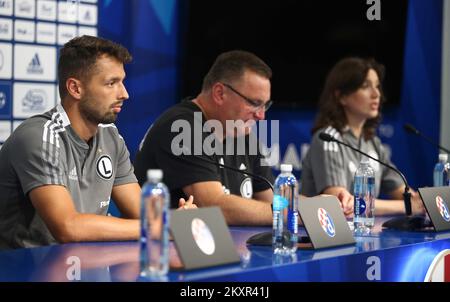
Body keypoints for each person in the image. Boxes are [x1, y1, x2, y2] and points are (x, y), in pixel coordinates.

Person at [0, 36, 194, 250]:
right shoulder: (39, 136)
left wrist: (175, 219)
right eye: (111, 83)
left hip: (85, 265)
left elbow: (144, 213)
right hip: (24, 270)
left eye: (122, 81)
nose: (124, 94)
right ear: (75, 88)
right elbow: (68, 227)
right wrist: (161, 225)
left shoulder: (110, 137)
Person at [134, 50, 352, 225]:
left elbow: (270, 200)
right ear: (220, 93)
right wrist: (302, 213)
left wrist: (325, 206)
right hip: (167, 256)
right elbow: (215, 206)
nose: (261, 115)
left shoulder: (241, 130)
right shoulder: (183, 126)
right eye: (254, 103)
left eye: (265, 105)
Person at [301, 57, 425, 217]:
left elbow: (405, 194)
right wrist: (406, 207)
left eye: (378, 86)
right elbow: (342, 207)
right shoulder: (328, 139)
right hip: (325, 237)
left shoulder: (373, 143)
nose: (376, 94)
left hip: (365, 233)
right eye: (366, 86)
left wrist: (420, 203)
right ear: (341, 97)